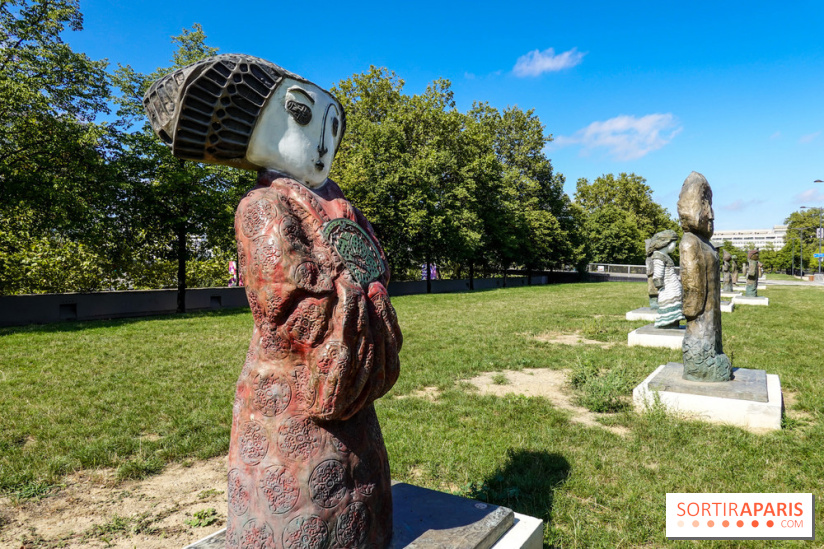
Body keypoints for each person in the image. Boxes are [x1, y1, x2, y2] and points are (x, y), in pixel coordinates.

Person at [145, 54, 401, 549]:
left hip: (348, 390)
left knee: (359, 490)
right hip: (292, 394)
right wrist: (355, 293)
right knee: (299, 503)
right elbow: (286, 297)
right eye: (302, 115)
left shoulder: (340, 205)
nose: (323, 141)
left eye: (333, 125)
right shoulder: (262, 205)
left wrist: (365, 288)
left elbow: (373, 266)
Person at [678, 172, 731, 382]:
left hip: (711, 311)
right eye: (705, 207)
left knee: (713, 335)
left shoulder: (705, 243)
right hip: (700, 315)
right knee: (703, 341)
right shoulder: (690, 242)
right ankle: (700, 366)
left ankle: (712, 359)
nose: (711, 216)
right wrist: (691, 309)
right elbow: (692, 283)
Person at [649, 230, 684, 328]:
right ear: (666, 243)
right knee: (669, 302)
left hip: (672, 284)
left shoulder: (665, 256)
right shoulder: (659, 256)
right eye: (674, 244)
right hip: (668, 286)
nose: (675, 246)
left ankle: (673, 323)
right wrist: (660, 285)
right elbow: (658, 273)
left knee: (675, 303)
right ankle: (668, 323)